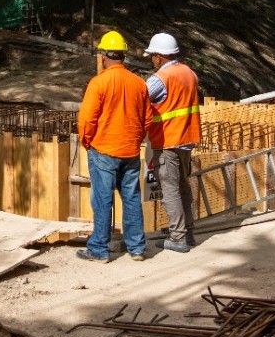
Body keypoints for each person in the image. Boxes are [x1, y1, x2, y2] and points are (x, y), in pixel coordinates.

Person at [76, 30, 154, 263]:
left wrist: (86, 140)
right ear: (123, 56)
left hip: (104, 150)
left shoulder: (99, 82)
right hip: (130, 151)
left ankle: (99, 249)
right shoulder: (139, 83)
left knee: (102, 199)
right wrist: (135, 138)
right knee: (131, 198)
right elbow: (147, 119)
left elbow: (87, 118)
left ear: (103, 56)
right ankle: (137, 248)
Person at [143, 33, 201, 254]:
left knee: (170, 189)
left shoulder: (160, 79)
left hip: (168, 140)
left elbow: (141, 98)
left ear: (159, 57)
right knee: (183, 186)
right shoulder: (190, 73)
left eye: (152, 57)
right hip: (187, 139)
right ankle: (188, 232)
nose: (151, 61)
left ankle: (178, 237)